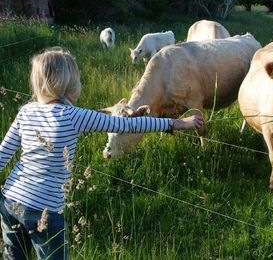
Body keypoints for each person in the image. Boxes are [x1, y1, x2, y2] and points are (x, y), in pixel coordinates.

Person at [0, 47, 204, 259]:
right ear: (69, 83)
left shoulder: (25, 111)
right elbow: (128, 125)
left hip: (9, 200)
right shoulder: (72, 115)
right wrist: (177, 123)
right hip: (44, 211)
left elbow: (2, 155)